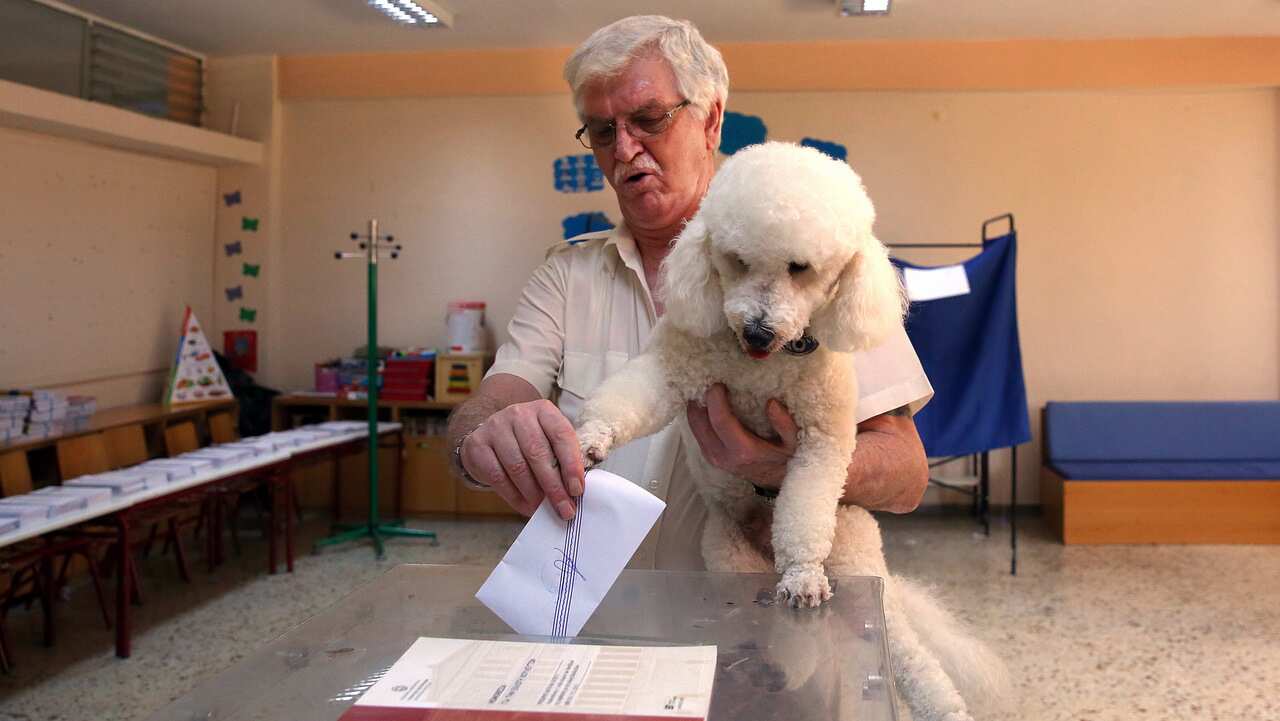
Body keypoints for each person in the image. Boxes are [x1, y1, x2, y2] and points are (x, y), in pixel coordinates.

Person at [446, 15, 932, 570]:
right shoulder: (565, 275)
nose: (625, 149)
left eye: (649, 119)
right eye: (602, 131)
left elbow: (907, 474)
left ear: (711, 120)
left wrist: (776, 467)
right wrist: (478, 439)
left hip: (758, 621)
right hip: (599, 621)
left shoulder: (818, 258)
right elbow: (494, 399)